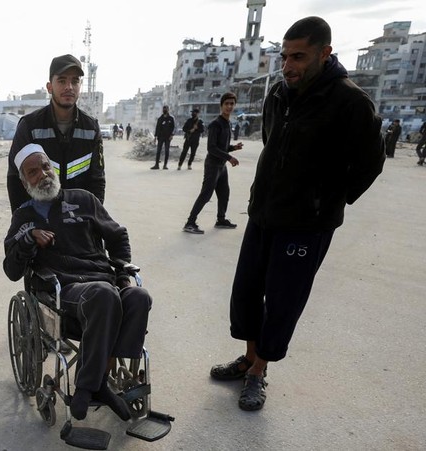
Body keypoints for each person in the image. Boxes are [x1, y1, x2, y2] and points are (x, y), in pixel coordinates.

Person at [209, 17, 385, 411]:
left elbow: (372, 162)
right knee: (247, 292)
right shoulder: (278, 94)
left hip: (306, 225)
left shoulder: (350, 102)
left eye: (299, 57)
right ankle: (250, 357)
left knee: (284, 300)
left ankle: (259, 372)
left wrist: (325, 199)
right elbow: (274, 147)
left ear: (325, 53)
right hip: (264, 214)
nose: (288, 65)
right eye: (286, 56)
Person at [3, 144, 151, 421]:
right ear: (24, 182)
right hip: (64, 292)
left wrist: (123, 277)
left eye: (46, 166)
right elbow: (12, 269)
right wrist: (28, 239)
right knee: (104, 295)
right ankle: (90, 387)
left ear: (54, 167)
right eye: (33, 172)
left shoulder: (84, 200)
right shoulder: (24, 217)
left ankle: (97, 382)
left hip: (103, 281)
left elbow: (118, 236)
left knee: (139, 297)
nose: (43, 174)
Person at [6, 54, 105, 212]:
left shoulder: (91, 128)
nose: (69, 87)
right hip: (42, 221)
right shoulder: (29, 126)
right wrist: (26, 224)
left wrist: (94, 218)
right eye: (62, 80)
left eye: (74, 81)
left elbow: (97, 180)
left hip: (78, 219)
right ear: (49, 87)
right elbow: (15, 178)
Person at [183, 93, 242, 234]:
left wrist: (233, 148)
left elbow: (222, 147)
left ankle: (221, 220)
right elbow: (212, 148)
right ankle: (190, 223)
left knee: (224, 193)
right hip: (213, 165)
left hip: (222, 166)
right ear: (221, 105)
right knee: (206, 194)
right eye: (226, 103)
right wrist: (229, 157)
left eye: (232, 103)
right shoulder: (215, 124)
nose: (229, 106)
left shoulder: (228, 123)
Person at [151, 106, 174, 170]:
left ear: (168, 110)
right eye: (164, 109)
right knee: (158, 151)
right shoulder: (160, 119)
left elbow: (173, 127)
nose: (165, 110)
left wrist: (172, 135)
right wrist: (155, 137)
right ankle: (156, 165)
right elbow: (157, 128)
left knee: (167, 151)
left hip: (168, 137)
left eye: (166, 109)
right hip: (160, 137)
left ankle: (165, 165)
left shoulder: (171, 118)